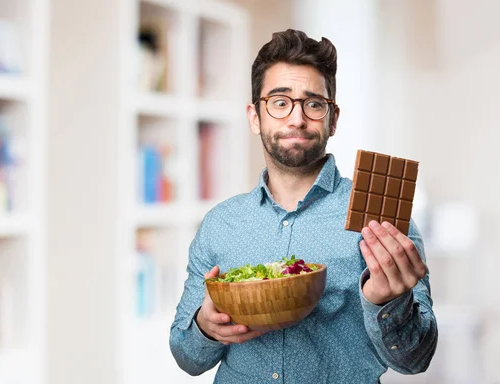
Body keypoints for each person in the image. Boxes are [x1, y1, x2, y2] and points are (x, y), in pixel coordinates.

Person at [170, 29, 438, 383]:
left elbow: (417, 359)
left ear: (333, 119)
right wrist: (205, 328)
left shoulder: (382, 222)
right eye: (280, 103)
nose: (296, 119)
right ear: (255, 116)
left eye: (313, 104)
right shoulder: (220, 224)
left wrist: (389, 304)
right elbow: (186, 357)